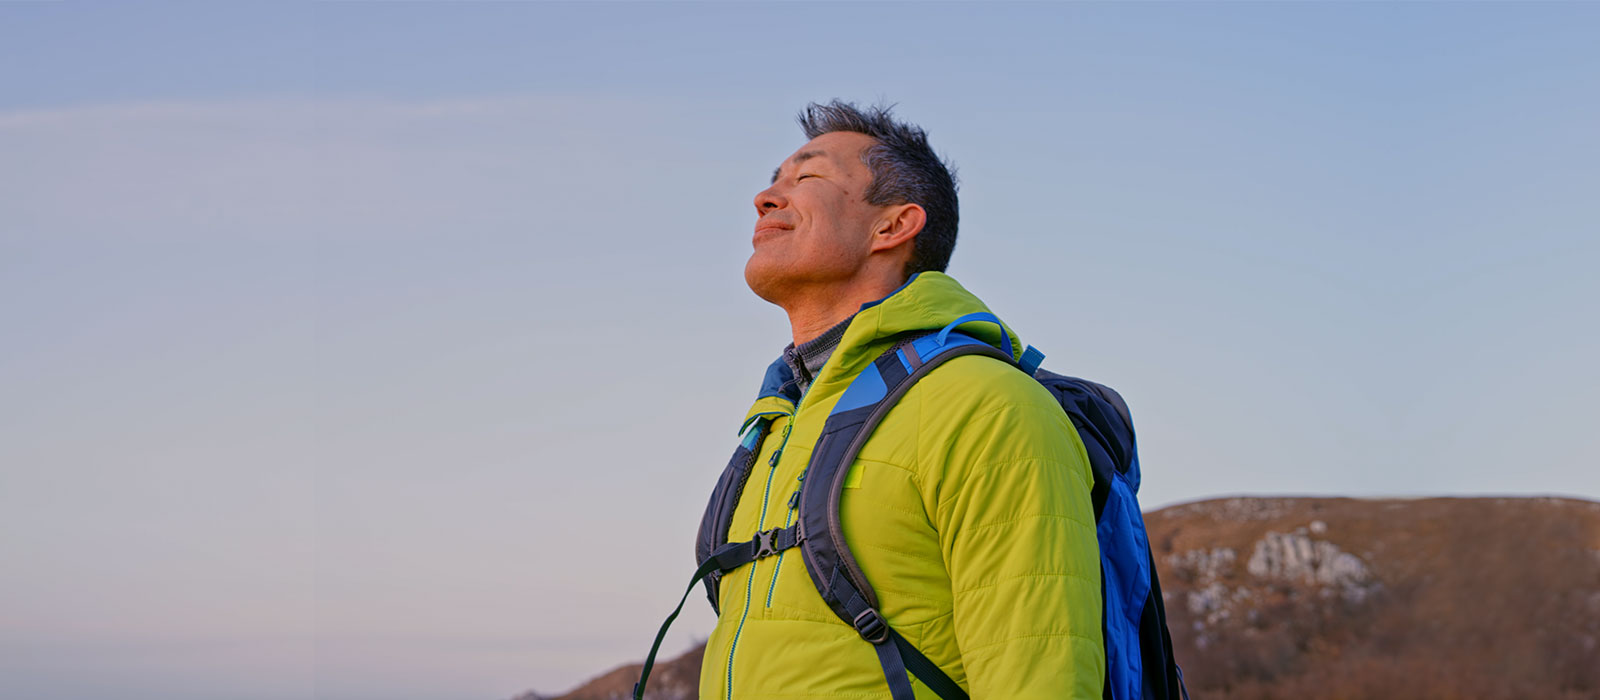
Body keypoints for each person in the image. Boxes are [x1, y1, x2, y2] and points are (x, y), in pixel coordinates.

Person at [700, 100, 1104, 699]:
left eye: (806, 177)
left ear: (892, 226)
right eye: (772, 180)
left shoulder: (983, 403)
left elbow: (1039, 676)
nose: (765, 198)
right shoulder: (779, 422)